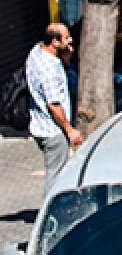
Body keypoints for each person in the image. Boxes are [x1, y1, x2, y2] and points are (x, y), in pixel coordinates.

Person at [24, 23, 82, 181]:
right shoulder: (49, 70)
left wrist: (66, 59)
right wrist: (70, 130)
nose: (70, 40)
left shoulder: (37, 52)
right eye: (66, 38)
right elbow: (54, 105)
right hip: (53, 132)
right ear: (55, 42)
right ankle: (51, 205)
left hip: (39, 125)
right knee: (57, 177)